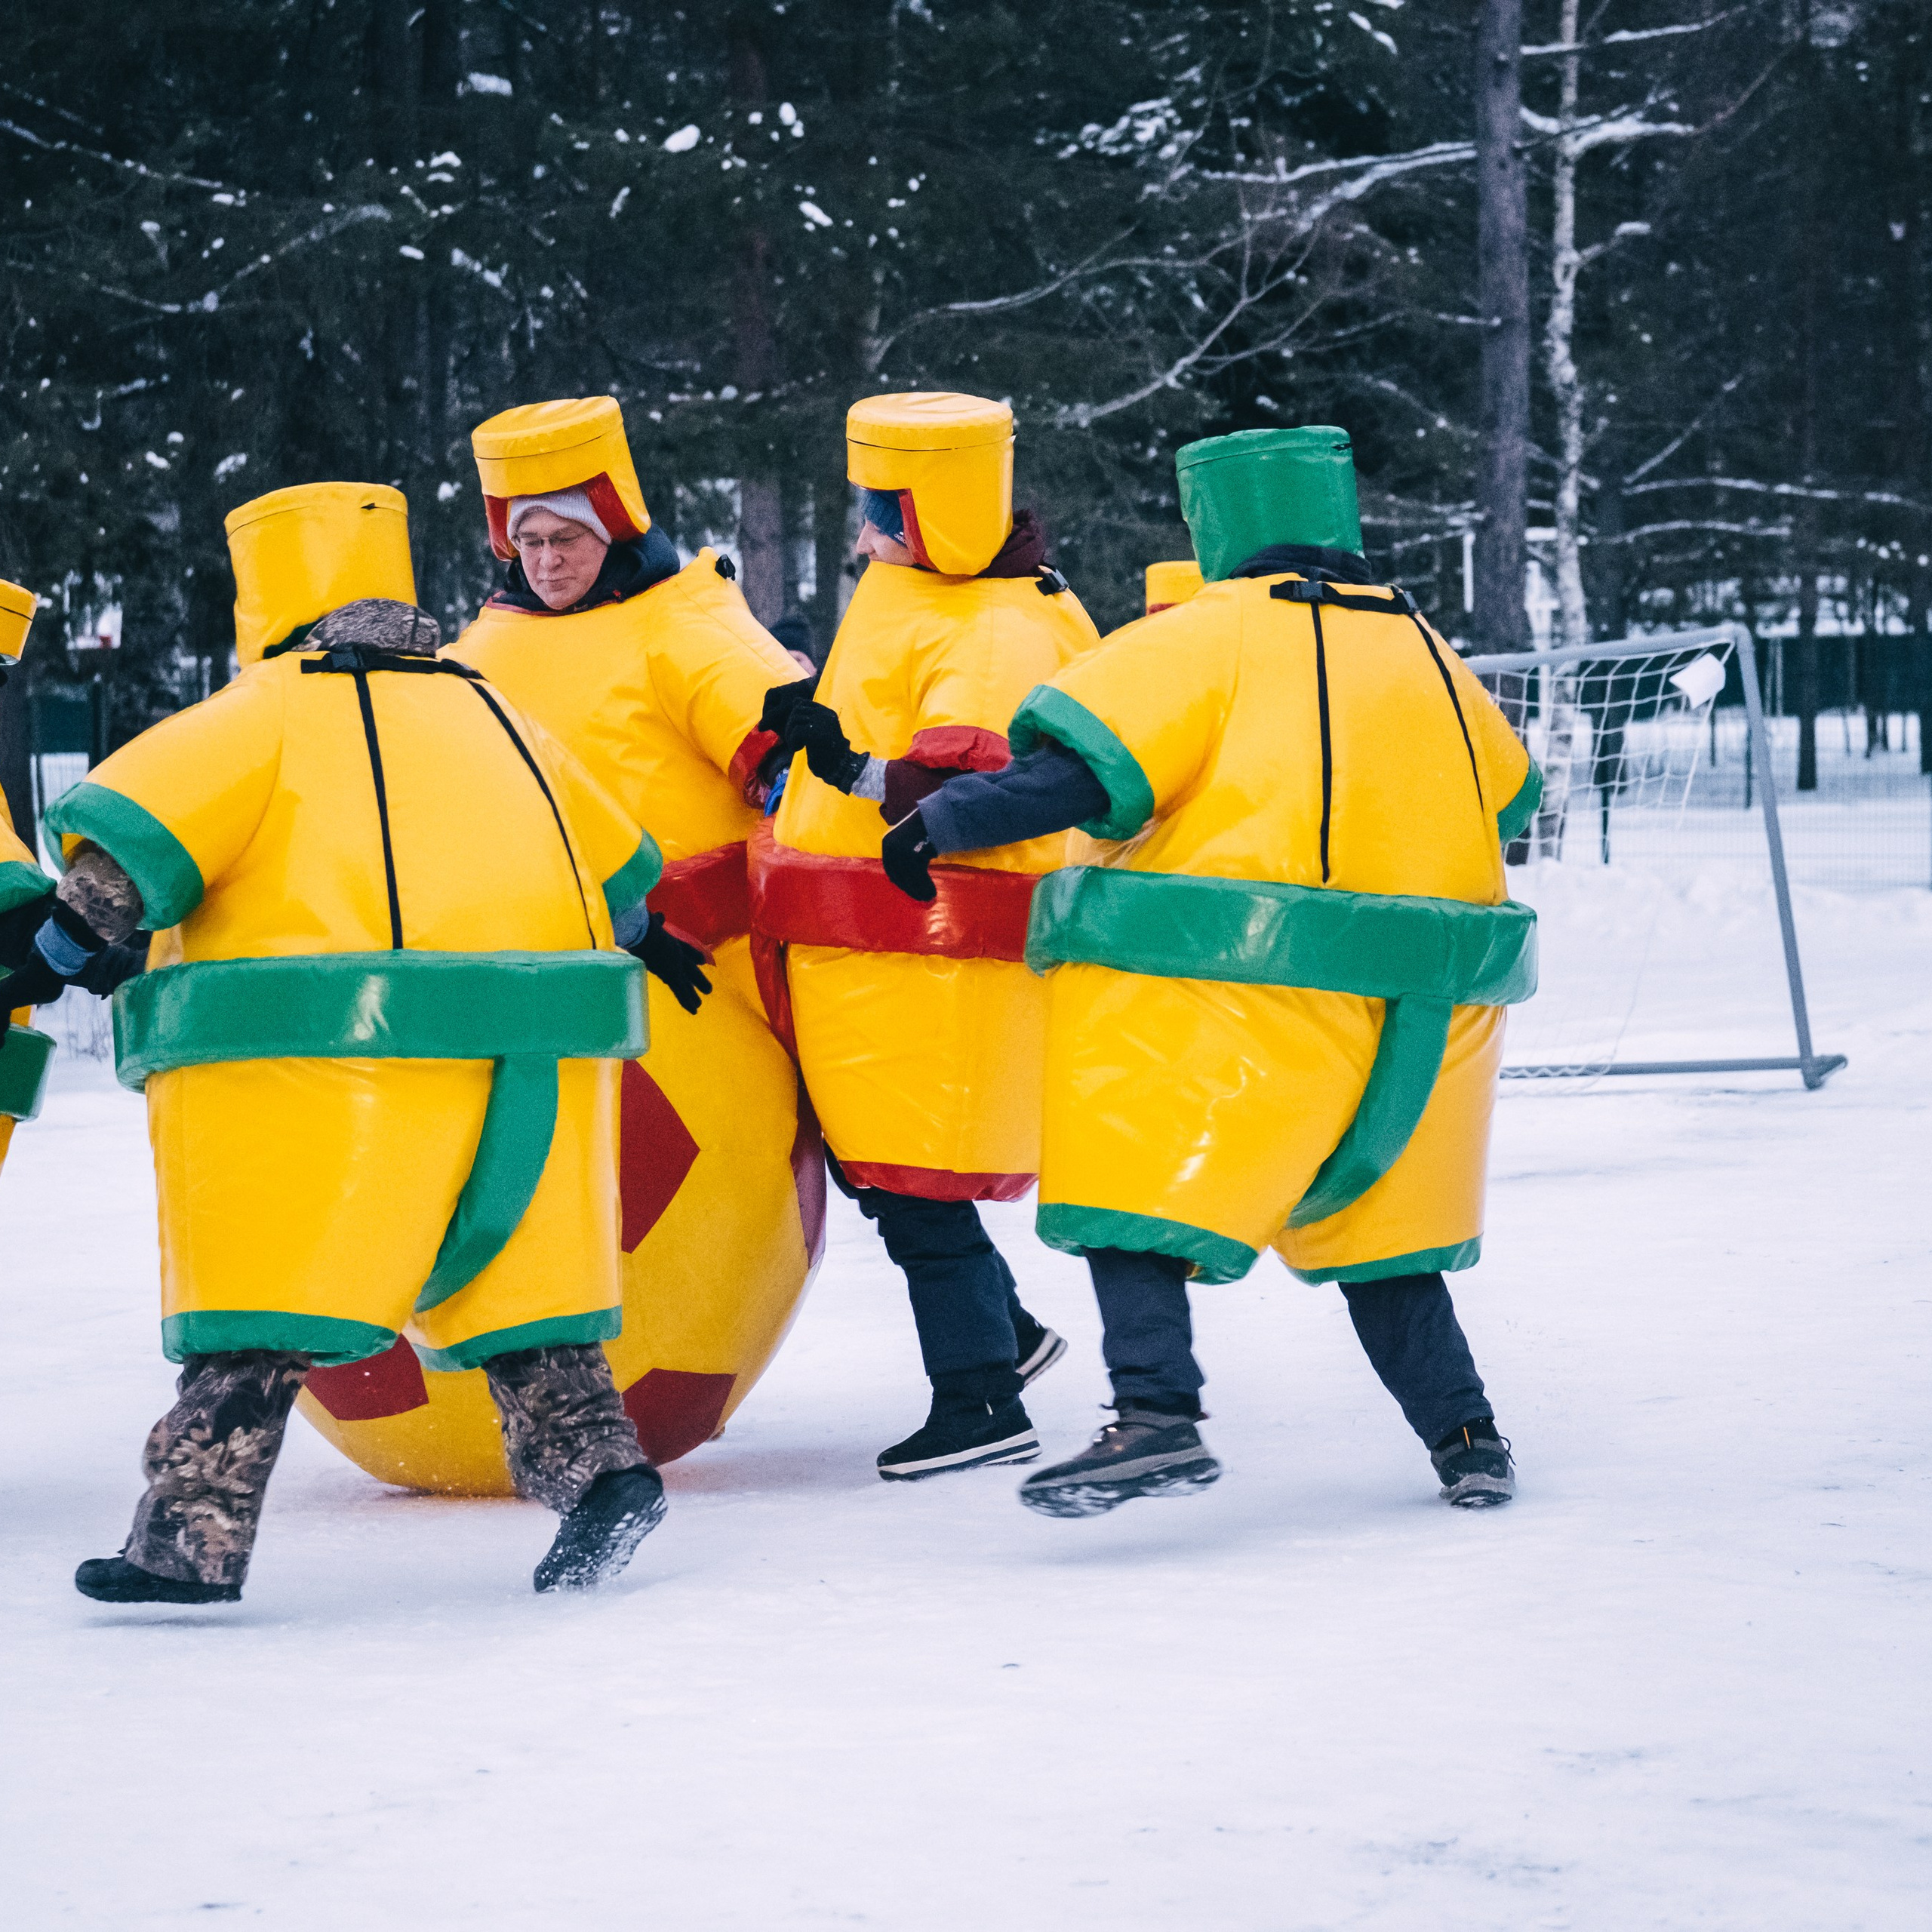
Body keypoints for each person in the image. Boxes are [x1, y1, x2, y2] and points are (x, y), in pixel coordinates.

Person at [8, 482, 679, 1604]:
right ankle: (602, 1473)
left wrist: (61, 949)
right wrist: (653, 939)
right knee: (525, 1312)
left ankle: (185, 1548)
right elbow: (620, 880)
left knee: (261, 1318)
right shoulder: (499, 712)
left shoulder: (269, 710)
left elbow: (129, 851)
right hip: (531, 1072)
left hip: (331, 1069)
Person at [878, 426, 1542, 1516]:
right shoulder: (1427, 650)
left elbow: (1081, 774)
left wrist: (940, 821)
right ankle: (1467, 1438)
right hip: (1423, 1016)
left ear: (1216, 523)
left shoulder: (1214, 633)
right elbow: (1513, 798)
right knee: (1388, 1240)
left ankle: (1156, 1417)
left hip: (1243, 995)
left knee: (1126, 1189)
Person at [446, 395, 826, 1466]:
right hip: (534, 965)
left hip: (699, 976)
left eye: (564, 539)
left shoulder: (681, 619)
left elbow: (768, 723)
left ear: (610, 529)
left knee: (871, 1157)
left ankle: (986, 1342)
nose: (546, 561)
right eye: (527, 541)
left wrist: (789, 761)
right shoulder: (479, 652)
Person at [755, 391, 1100, 1480]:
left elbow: (974, 791)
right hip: (880, 951)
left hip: (932, 954)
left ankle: (981, 1402)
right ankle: (1009, 1336)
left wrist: (844, 766)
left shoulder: (997, 628)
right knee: (883, 1169)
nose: (863, 538)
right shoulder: (925, 594)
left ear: (933, 514)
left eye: (880, 514)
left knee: (917, 1186)